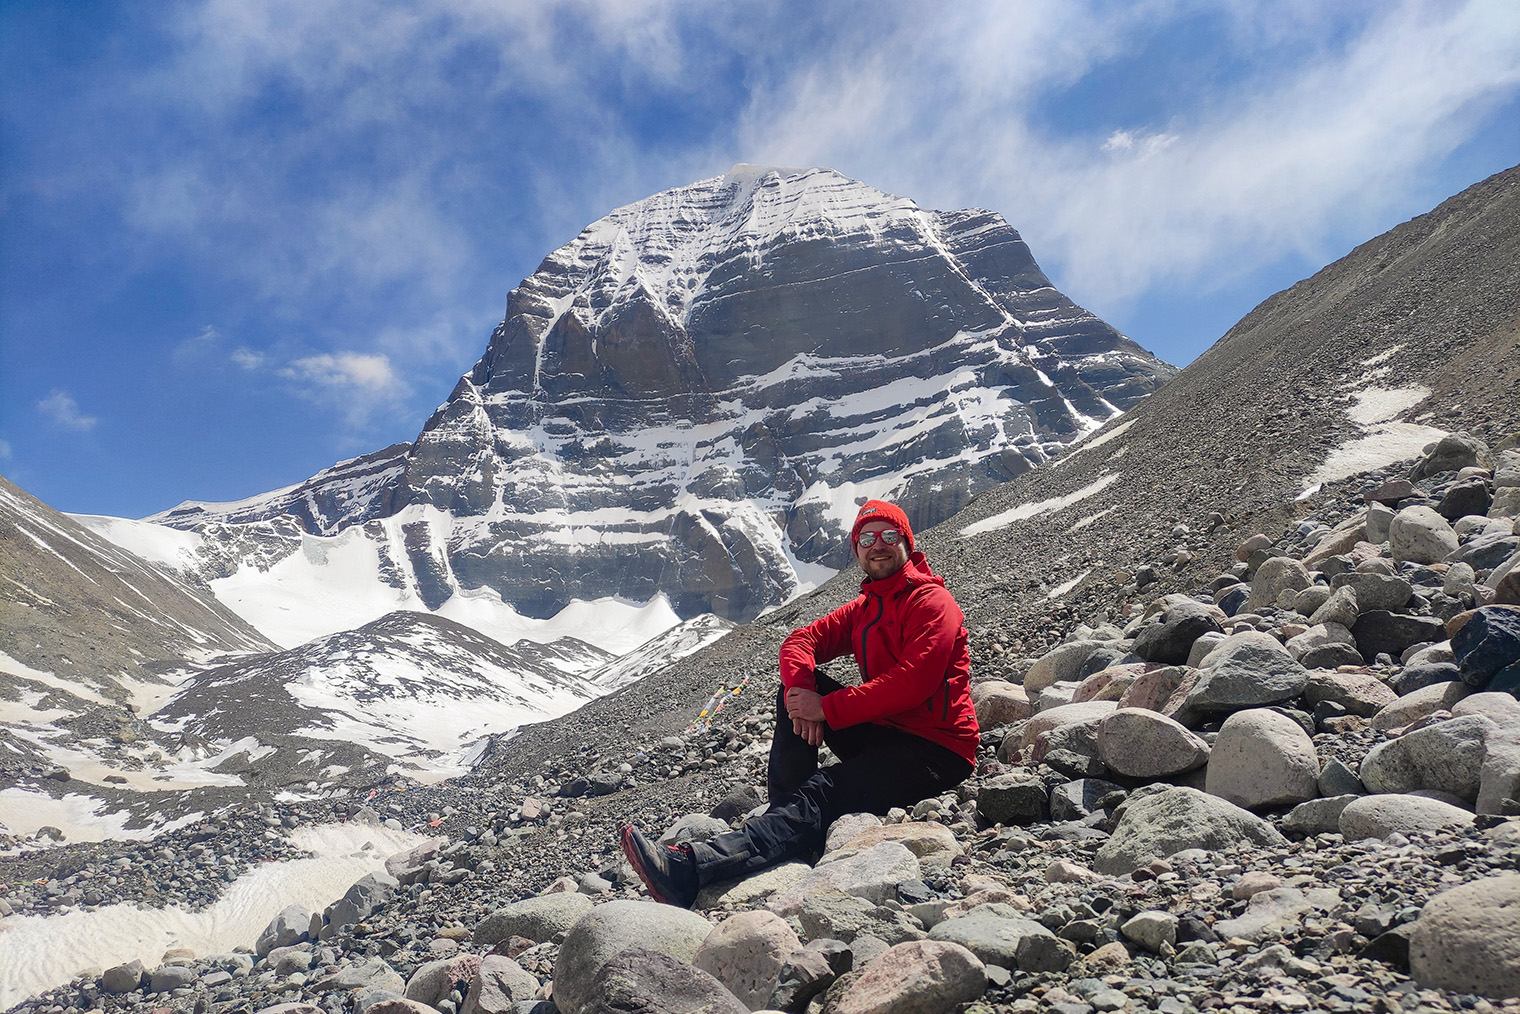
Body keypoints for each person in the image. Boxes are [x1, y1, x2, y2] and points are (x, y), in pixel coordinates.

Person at [620, 499, 980, 907]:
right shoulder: (870, 606)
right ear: (856, 548)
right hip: (887, 733)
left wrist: (824, 709)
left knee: (824, 791)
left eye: (889, 535)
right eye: (866, 537)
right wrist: (802, 695)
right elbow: (799, 641)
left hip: (936, 751)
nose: (878, 545)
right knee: (791, 695)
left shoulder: (931, 603)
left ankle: (688, 871)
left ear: (907, 542)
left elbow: (911, 685)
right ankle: (786, 821)